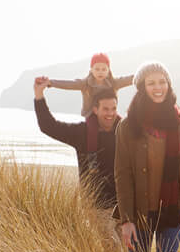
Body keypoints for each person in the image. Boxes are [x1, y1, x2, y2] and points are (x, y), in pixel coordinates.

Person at [115, 61, 180, 252]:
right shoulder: (128, 126)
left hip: (172, 212)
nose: (158, 87)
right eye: (151, 83)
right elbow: (122, 174)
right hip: (140, 214)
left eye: (162, 81)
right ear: (142, 87)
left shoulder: (178, 121)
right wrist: (126, 220)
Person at [33, 77, 121, 215]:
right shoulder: (82, 133)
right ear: (95, 110)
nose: (110, 113)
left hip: (124, 208)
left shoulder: (125, 132)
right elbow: (49, 126)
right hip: (96, 208)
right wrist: (39, 95)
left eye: (113, 109)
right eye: (105, 109)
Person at [46, 52, 135, 118]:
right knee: (92, 129)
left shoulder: (114, 83)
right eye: (97, 69)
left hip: (109, 114)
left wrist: (145, 74)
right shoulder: (85, 84)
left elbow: (129, 79)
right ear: (91, 70)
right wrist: (51, 82)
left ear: (108, 70)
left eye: (104, 69)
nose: (100, 72)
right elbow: (69, 84)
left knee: (122, 126)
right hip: (91, 115)